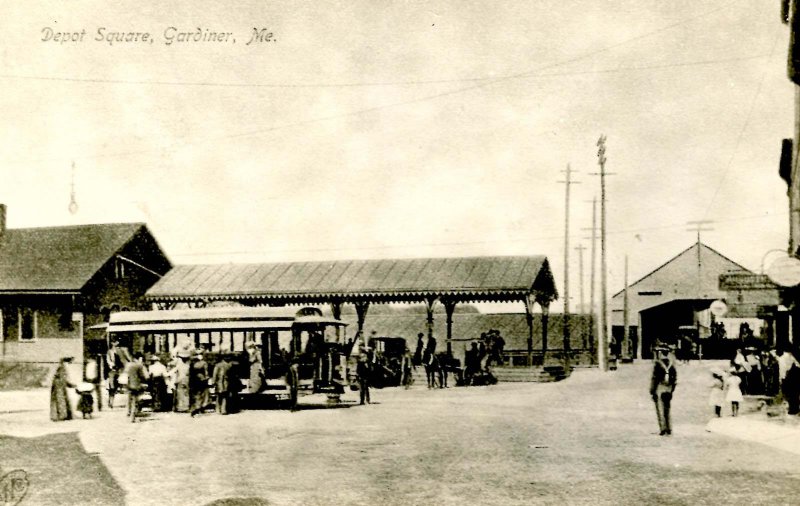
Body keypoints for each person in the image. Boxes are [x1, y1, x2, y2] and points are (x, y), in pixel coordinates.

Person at [649, 345, 677, 436]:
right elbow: (674, 379)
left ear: (660, 353)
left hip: (660, 387)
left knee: (660, 409)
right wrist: (672, 389)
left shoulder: (657, 364)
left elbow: (654, 378)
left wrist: (652, 390)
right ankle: (669, 428)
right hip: (668, 388)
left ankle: (663, 428)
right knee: (667, 408)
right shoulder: (671, 364)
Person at [125, 353, 150, 422]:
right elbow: (146, 376)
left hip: (128, 384)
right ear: (139, 358)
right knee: (135, 400)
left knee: (129, 398)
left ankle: (128, 412)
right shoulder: (139, 365)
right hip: (136, 385)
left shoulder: (128, 365)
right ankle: (133, 415)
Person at [50, 356, 75, 421]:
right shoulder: (62, 368)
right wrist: (70, 385)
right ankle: (61, 416)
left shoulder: (61, 368)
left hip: (59, 386)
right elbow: (63, 379)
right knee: (60, 400)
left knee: (60, 400)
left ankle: (61, 415)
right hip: (59, 387)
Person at [212, 351, 237, 415]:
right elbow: (215, 374)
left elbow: (215, 374)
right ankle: (222, 409)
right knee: (223, 396)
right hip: (223, 382)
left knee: (220, 396)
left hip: (221, 382)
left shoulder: (220, 365)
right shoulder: (228, 365)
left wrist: (214, 382)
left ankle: (219, 409)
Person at [190, 350, 210, 417]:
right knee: (203, 394)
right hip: (202, 380)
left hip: (195, 380)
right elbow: (206, 372)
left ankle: (196, 407)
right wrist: (207, 379)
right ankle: (201, 407)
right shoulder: (204, 363)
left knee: (197, 394)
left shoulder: (193, 363)